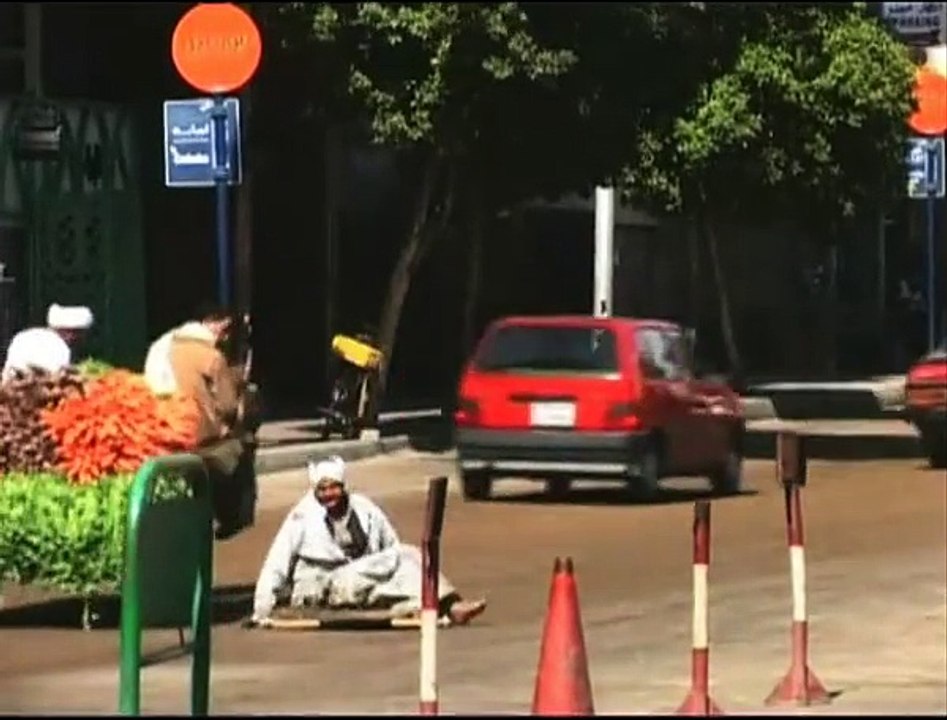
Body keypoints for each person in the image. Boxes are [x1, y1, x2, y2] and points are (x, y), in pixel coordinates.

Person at [250, 456, 487, 626]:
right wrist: (261, 609)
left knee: (406, 559)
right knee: (401, 557)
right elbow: (276, 562)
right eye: (322, 489)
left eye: (334, 487)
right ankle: (448, 605)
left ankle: (443, 606)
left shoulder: (364, 508)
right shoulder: (302, 516)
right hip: (324, 585)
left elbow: (390, 544)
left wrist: (391, 564)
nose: (329, 494)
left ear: (343, 487)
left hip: (359, 579)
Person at [166, 302, 256, 540]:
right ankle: (230, 520)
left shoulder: (166, 347)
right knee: (239, 450)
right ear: (214, 324)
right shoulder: (211, 356)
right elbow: (227, 405)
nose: (225, 336)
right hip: (199, 436)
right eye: (224, 329)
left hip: (164, 428)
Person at [1, 303, 94, 382]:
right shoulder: (58, 347)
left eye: (77, 332)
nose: (72, 336)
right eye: (67, 331)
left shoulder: (23, 336)